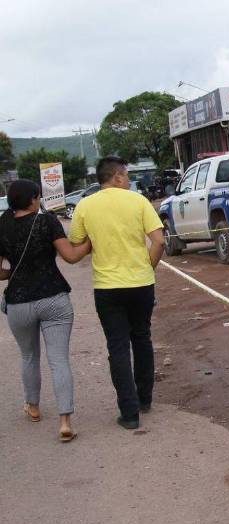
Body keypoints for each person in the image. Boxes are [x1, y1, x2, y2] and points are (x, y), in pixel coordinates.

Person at [69, 157, 165, 430]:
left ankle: (129, 412)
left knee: (117, 346)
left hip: (107, 287)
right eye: (127, 175)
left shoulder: (85, 206)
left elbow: (77, 242)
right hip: (141, 284)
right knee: (142, 338)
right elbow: (159, 241)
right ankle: (145, 398)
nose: (129, 180)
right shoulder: (138, 201)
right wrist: (148, 267)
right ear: (117, 177)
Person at [0, 179, 91, 442]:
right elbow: (71, 256)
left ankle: (33, 407)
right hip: (54, 298)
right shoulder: (47, 222)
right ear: (33, 199)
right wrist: (89, 243)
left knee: (29, 356)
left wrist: (14, 273)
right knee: (59, 359)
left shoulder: (2, 226)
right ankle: (65, 422)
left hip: (19, 302)